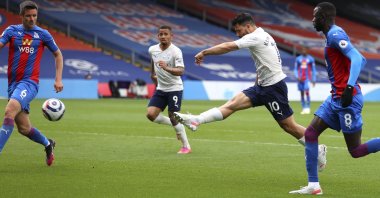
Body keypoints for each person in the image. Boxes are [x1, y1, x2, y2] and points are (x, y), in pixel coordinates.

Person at [174, 13, 327, 167]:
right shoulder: (263, 35)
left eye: (239, 30)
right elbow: (264, 62)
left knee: (289, 126)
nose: (237, 34)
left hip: (274, 88)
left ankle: (317, 148)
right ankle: (196, 120)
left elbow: (228, 46)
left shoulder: (257, 37)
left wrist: (204, 52)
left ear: (248, 26)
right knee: (232, 104)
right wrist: (258, 82)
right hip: (261, 86)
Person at [289, 2, 380, 195]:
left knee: (355, 150)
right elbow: (357, 59)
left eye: (315, 16)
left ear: (322, 17)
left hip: (347, 99)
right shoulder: (332, 35)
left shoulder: (334, 34)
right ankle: (313, 185)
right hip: (335, 98)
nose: (312, 20)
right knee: (311, 134)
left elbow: (357, 58)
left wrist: (348, 87)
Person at [0, 1, 63, 166]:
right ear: (21, 16)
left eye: (34, 15)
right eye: (28, 16)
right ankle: (48, 144)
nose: (32, 19)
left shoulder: (43, 34)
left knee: (9, 111)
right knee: (24, 129)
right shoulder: (12, 31)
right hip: (13, 85)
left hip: (29, 83)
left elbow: (58, 55)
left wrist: (58, 79)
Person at [146, 25, 191, 154]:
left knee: (173, 116)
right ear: (158, 36)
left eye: (166, 34)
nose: (163, 36)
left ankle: (186, 146)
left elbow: (181, 71)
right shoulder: (152, 49)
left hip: (174, 88)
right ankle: (179, 123)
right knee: (151, 114)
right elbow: (153, 62)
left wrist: (166, 68)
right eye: (161, 34)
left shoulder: (176, 51)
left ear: (172, 36)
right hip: (161, 88)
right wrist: (152, 74)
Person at [294, 47, 316, 114]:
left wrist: (313, 79)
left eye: (305, 50)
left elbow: (313, 70)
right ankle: (303, 108)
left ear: (307, 51)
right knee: (301, 93)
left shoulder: (311, 59)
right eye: (302, 50)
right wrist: (297, 76)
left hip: (307, 79)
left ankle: (308, 107)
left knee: (307, 91)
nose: (303, 51)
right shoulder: (298, 59)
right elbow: (295, 69)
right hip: (300, 79)